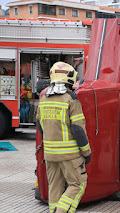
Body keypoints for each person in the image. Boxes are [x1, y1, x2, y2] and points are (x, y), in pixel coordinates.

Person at [36, 62, 91, 213]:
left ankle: (54, 210)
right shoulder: (71, 99)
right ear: (69, 78)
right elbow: (78, 129)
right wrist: (86, 152)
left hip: (50, 154)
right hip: (69, 155)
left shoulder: (44, 99)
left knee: (55, 187)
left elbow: (39, 125)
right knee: (77, 184)